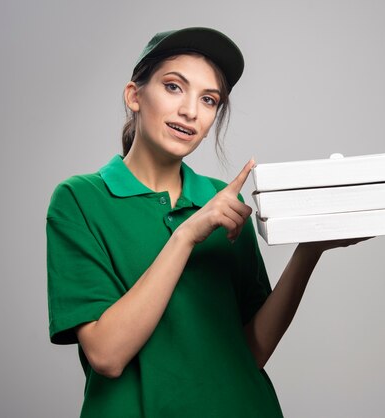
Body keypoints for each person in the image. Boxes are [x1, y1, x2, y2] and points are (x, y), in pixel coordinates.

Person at [46, 27, 363, 417]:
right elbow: (107, 355)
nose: (191, 111)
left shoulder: (223, 202)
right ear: (134, 96)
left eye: (209, 99)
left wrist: (309, 251)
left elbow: (253, 350)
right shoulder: (80, 200)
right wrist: (186, 236)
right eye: (174, 87)